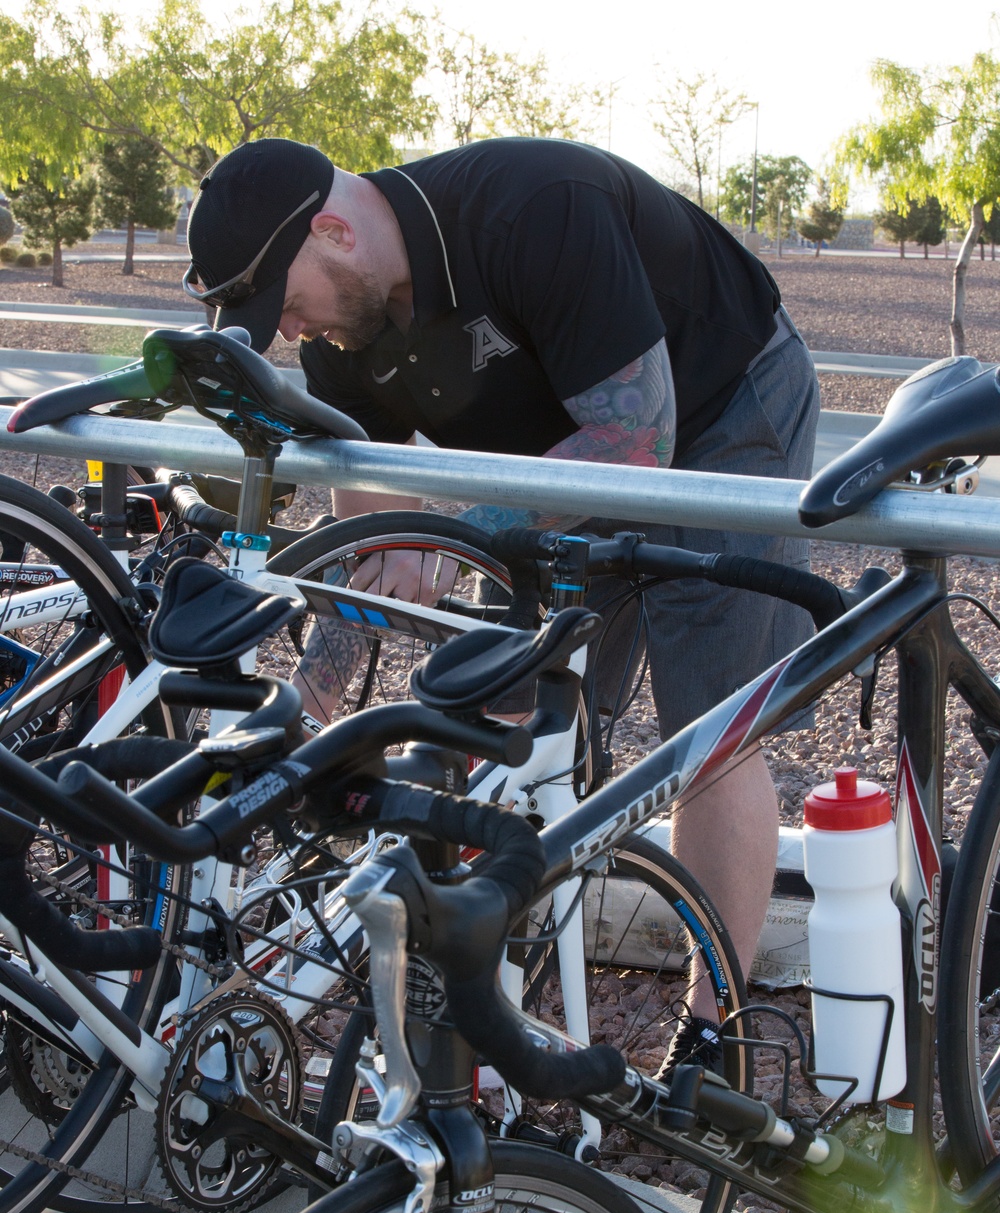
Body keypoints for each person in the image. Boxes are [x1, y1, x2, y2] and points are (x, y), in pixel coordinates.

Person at [184, 135, 820, 1066]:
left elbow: (635, 442)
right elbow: (372, 553)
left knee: (710, 736)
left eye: (287, 301)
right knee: (498, 714)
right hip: (554, 456)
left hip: (721, 411)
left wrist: (457, 534)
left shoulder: (534, 206)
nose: (289, 330)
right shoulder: (345, 333)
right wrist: (303, 717)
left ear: (335, 232)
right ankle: (482, 1017)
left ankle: (710, 1037)